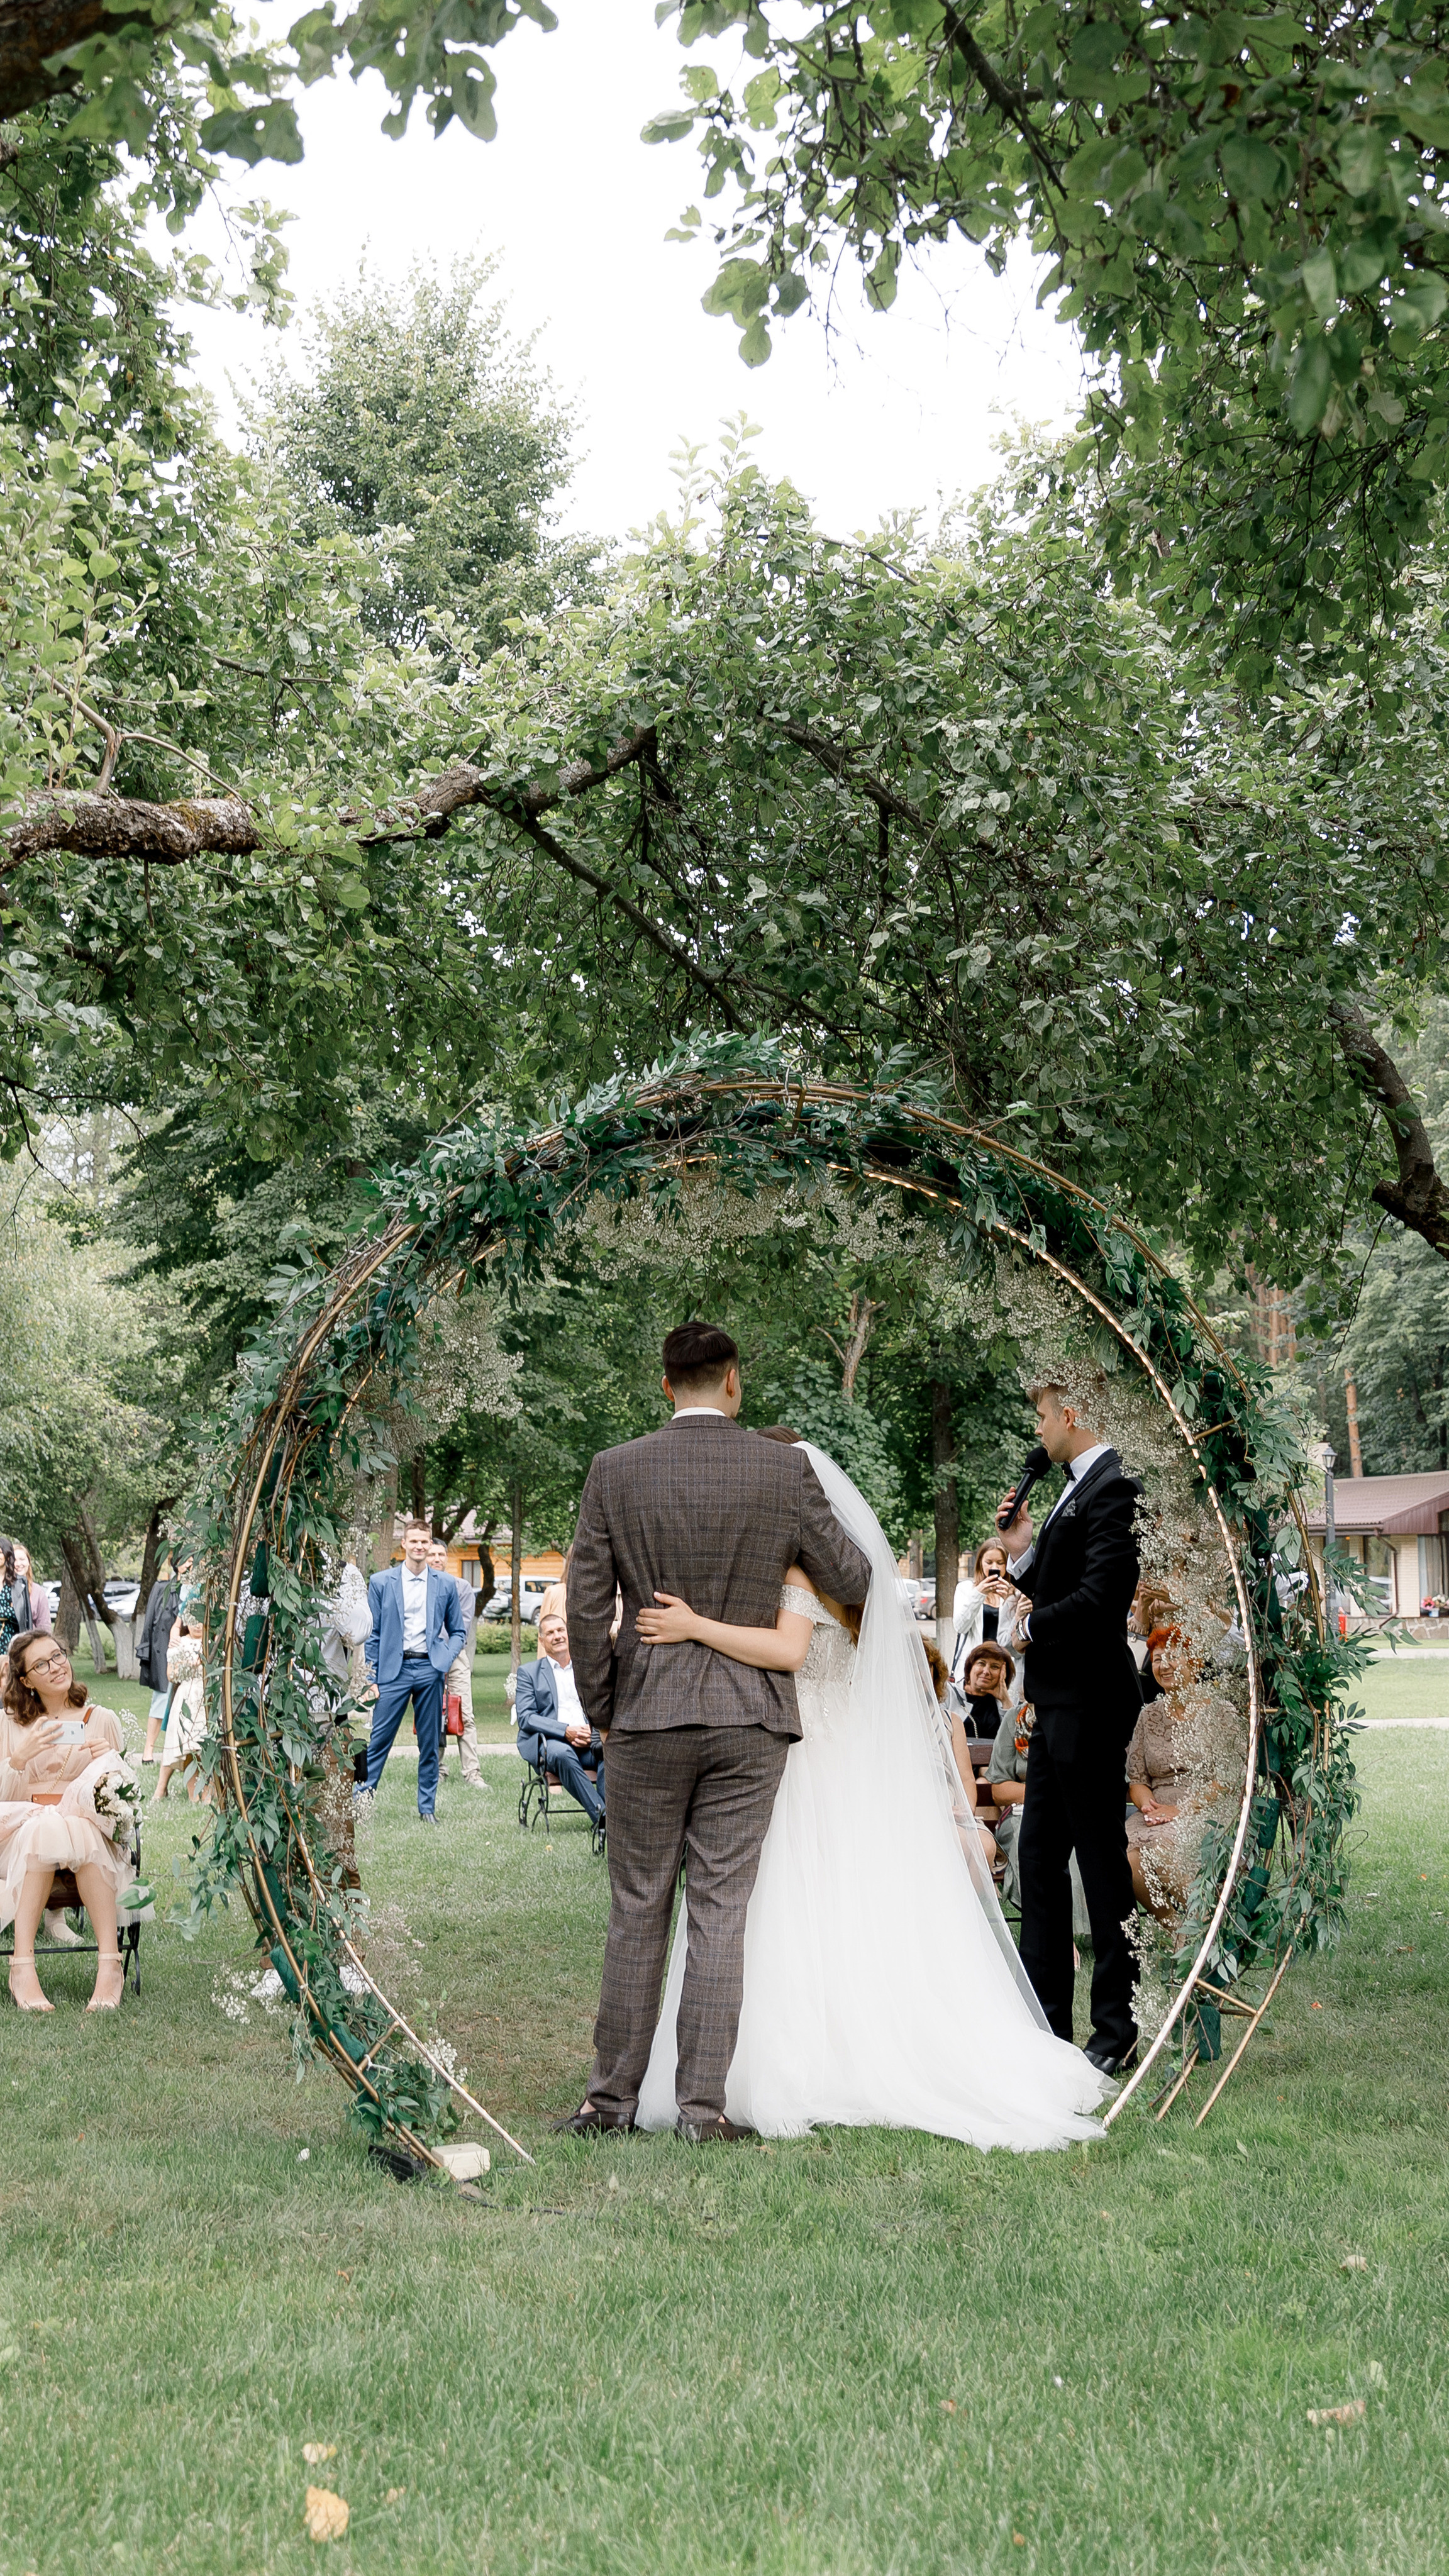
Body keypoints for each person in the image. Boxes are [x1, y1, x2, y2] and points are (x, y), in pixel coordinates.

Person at [632, 1430, 1110, 2148]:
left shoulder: (800, 1567)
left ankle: (798, 2059)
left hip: (807, 1754)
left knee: (787, 1903)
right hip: (834, 1748)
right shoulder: (846, 1571)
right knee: (832, 1903)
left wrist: (696, 1625)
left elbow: (791, 1652)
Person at [562, 1321, 874, 2140]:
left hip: (647, 1715)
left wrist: (605, 1707)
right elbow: (855, 1576)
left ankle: (608, 2104)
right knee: (720, 1912)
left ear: (666, 1385)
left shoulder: (613, 1472)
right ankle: (703, 2111)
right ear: (733, 1381)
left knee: (636, 1907)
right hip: (749, 1722)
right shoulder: (783, 1470)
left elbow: (587, 1605)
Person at [997, 1380, 1142, 2077]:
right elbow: (1061, 1585)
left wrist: (1026, 1626)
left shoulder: (1113, 1484)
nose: (1041, 1427)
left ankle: (1116, 2026)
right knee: (1037, 1860)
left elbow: (1103, 1596)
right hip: (1055, 1702)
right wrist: (1022, 1551)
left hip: (1088, 1700)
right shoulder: (1071, 1486)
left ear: (1074, 1412)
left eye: (1044, 1414)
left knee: (1100, 1861)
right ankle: (1047, 2022)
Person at [1, 1631, 135, 2011]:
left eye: (58, 1656)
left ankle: (110, 1966)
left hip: (85, 1832)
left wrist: (110, 1760)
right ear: (25, 1679)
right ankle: (22, 1966)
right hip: (18, 1834)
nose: (56, 1666)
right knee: (45, 1827)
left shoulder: (101, 1719)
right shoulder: (8, 1725)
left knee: (72, 1827)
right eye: (41, 1664)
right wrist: (19, 1759)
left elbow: (120, 1795)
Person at [360, 1519, 468, 1822]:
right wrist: (371, 1678)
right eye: (414, 1542)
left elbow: (458, 1631)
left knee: (430, 1743)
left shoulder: (445, 1584)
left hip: (429, 1668)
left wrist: (443, 1660)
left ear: (430, 1545)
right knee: (379, 1741)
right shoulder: (382, 1582)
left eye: (425, 1542)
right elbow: (374, 1634)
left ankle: (427, 1809)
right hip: (392, 1672)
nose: (420, 1547)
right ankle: (362, 1802)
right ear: (404, 1545)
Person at [1126, 1628, 1227, 1922]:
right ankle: (1177, 1930)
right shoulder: (1149, 1715)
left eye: (1172, 1657)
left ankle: (1205, 1924)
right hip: (1156, 1813)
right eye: (1157, 1660)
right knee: (1129, 1858)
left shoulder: (1220, 1712)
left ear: (1194, 1662)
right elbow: (1138, 1779)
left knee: (1161, 1849)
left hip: (1205, 1808)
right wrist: (1148, 1805)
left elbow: (1229, 1780)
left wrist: (1179, 1811)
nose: (1164, 1665)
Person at [514, 1603, 605, 1828]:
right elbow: (526, 1717)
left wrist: (594, 1733)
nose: (557, 1636)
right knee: (564, 1753)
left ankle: (615, 1816)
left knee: (610, 1753)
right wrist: (566, 1730)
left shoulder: (587, 1669)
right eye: (550, 1633)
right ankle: (602, 1819)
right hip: (553, 1744)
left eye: (561, 1630)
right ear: (541, 1640)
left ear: (568, 1633)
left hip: (589, 1740)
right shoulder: (530, 1673)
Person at [426, 1539, 486, 1790]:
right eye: (432, 1554)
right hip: (425, 1658)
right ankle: (436, 1771)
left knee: (465, 1715)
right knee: (431, 1715)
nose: (437, 1558)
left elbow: (459, 1627)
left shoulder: (461, 1587)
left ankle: (472, 1773)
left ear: (447, 1557)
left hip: (455, 1656)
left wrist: (445, 1656)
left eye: (441, 1554)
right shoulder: (417, 1588)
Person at [153, 1587, 208, 1804]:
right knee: (185, 1744)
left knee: (203, 1743)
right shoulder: (181, 1644)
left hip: (206, 1696)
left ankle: (208, 1793)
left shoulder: (212, 1644)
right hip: (186, 1695)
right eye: (192, 1620)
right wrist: (191, 1665)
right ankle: (189, 1792)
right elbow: (172, 1673)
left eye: (201, 1620)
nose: (197, 1625)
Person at [950, 1539, 1025, 1693]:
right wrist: (979, 1593)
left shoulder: (1015, 1594)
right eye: (989, 1562)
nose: (994, 1568)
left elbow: (1016, 1641)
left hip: (1003, 1670)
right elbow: (960, 1626)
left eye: (1000, 1563)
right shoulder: (967, 1589)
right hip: (974, 1670)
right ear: (980, 1563)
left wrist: (1010, 1601)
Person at [136, 1552, 184, 1763]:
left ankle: (180, 1750)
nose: (189, 1565)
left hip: (190, 1652)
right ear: (176, 1564)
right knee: (161, 1700)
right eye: (184, 1560)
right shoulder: (162, 1588)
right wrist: (146, 1650)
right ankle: (149, 1749)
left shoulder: (201, 1591)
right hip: (163, 1650)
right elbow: (149, 1623)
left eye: (193, 1560)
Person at [0, 1540, 52, 1657]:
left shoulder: (37, 1591)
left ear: (29, 1562)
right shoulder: (7, 1585)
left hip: (22, 1643)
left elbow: (44, 1626)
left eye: (22, 1559)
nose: (18, 1564)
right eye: (15, 1560)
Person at [958, 1639, 1016, 1740]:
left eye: (995, 1667)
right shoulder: (950, 1694)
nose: (986, 1672)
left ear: (1003, 1674)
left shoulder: (1003, 1704)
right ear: (970, 1667)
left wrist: (1005, 1700)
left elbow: (1015, 1740)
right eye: (981, 1664)